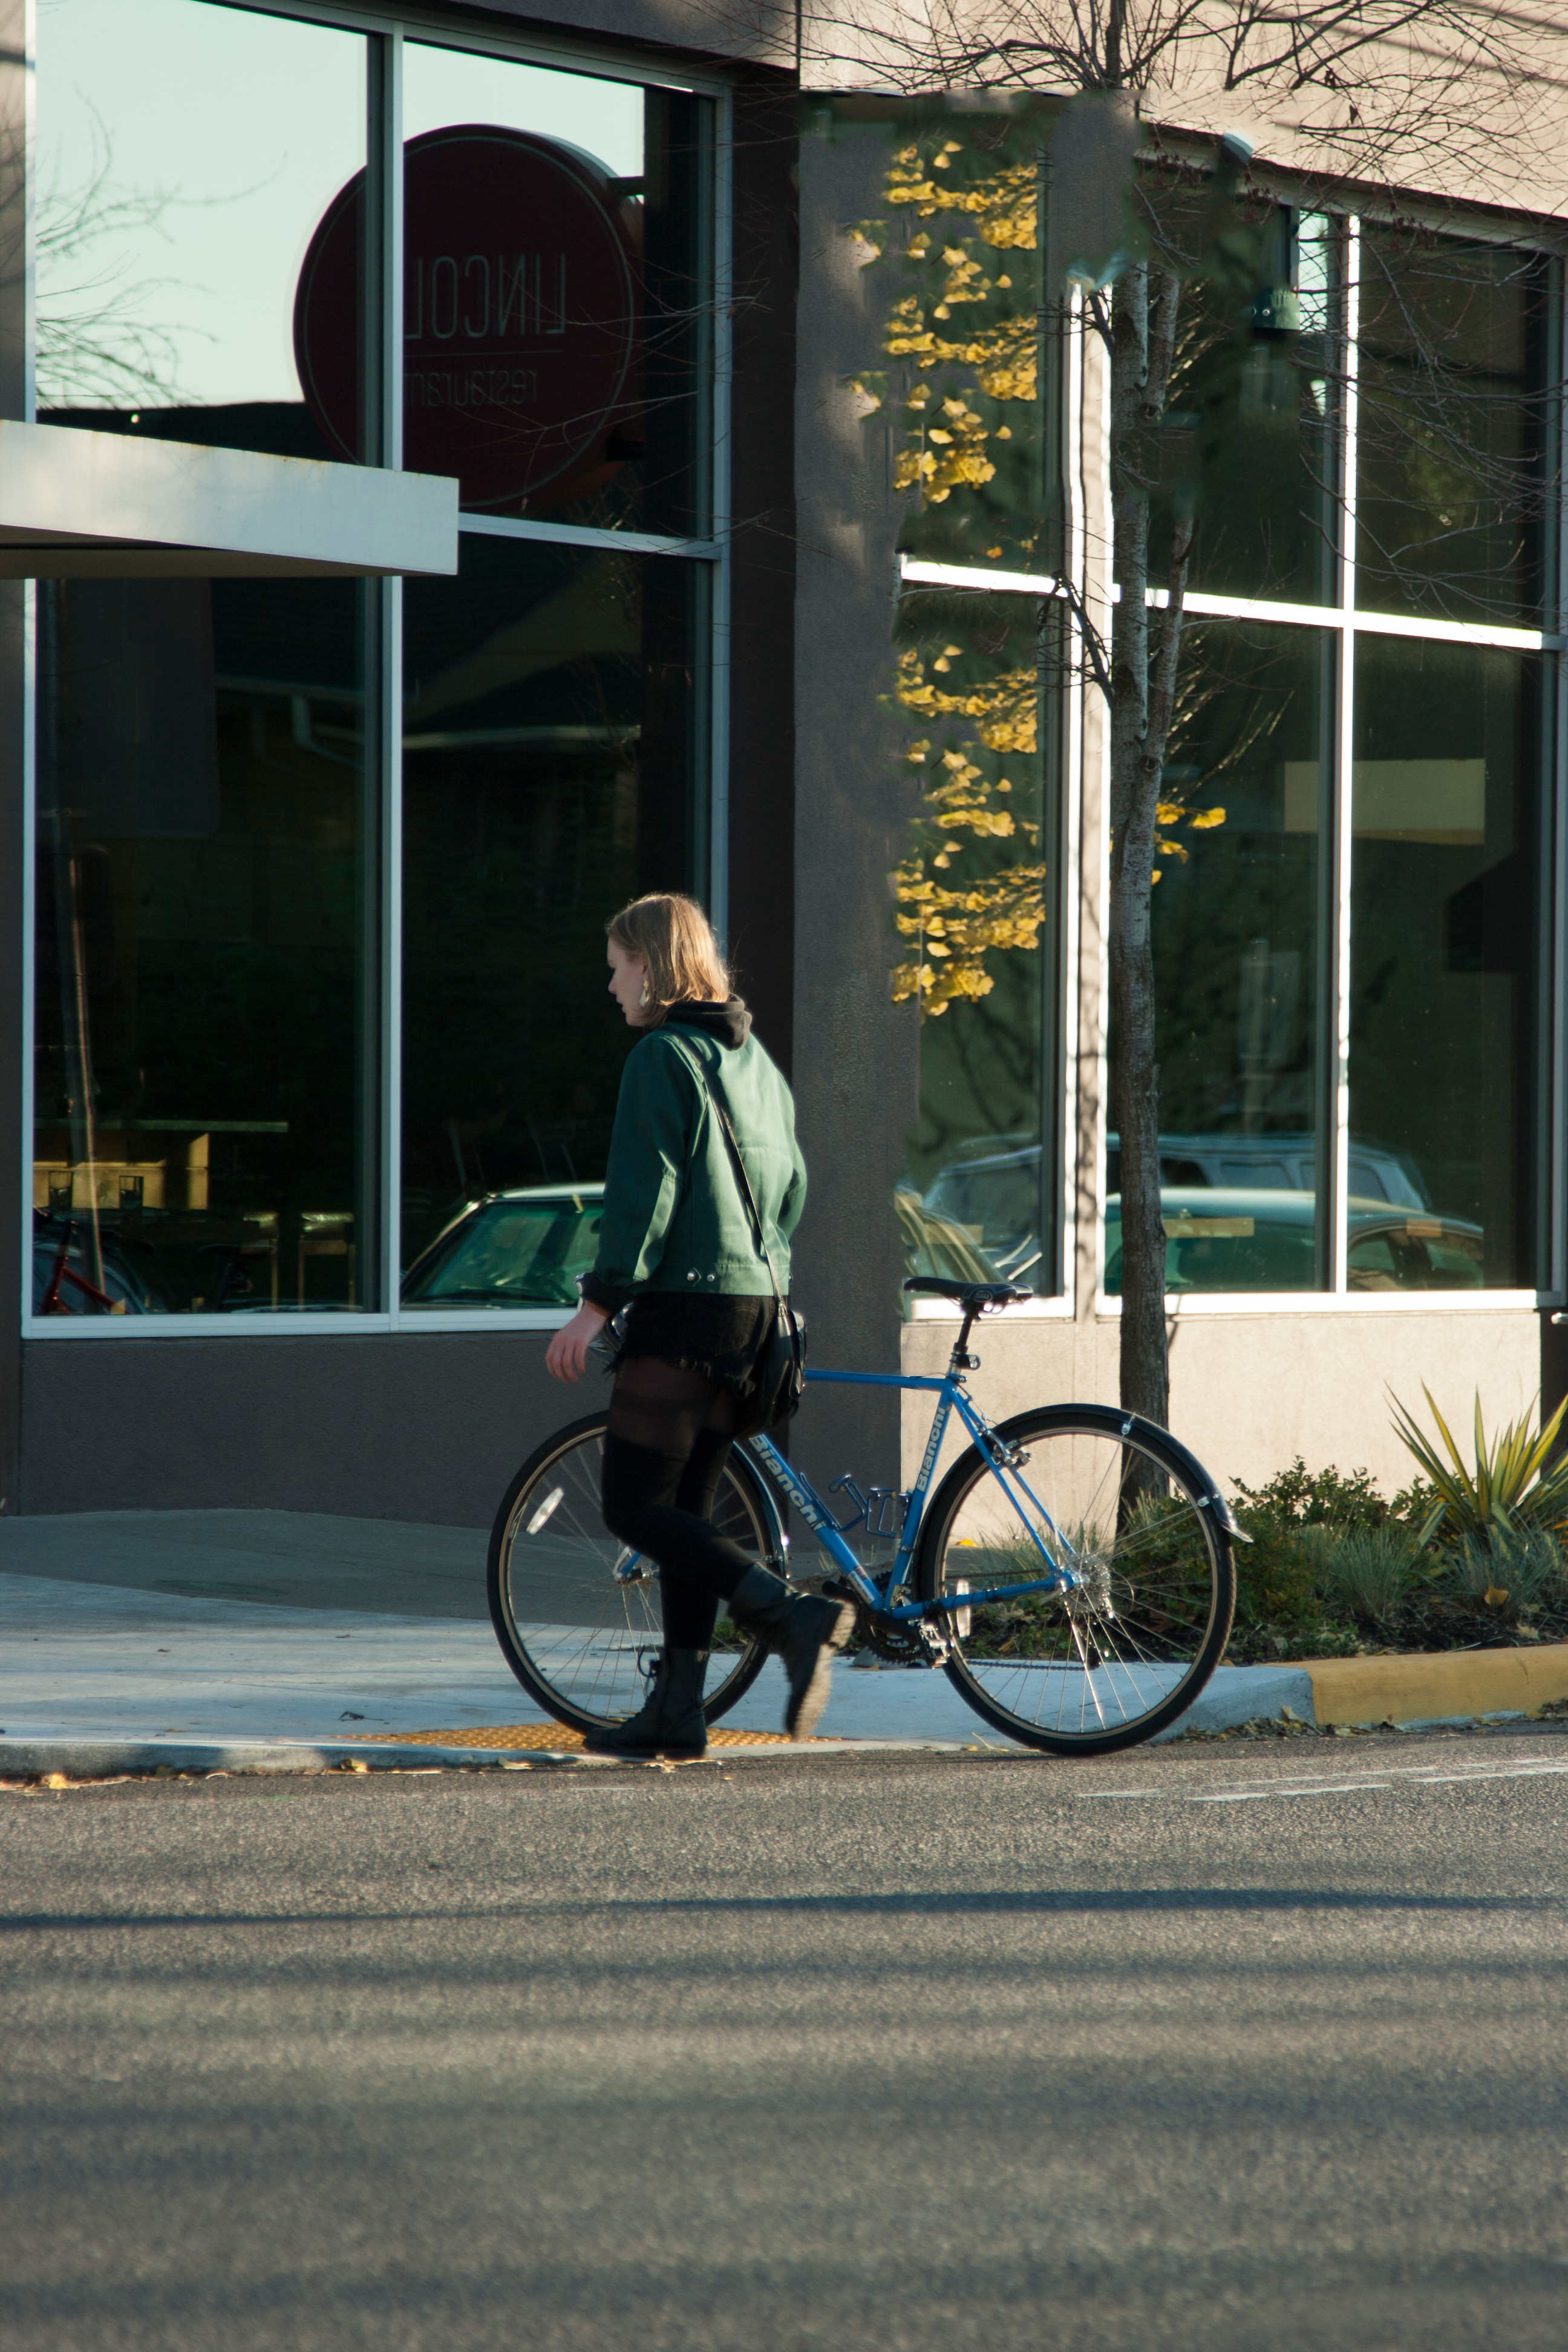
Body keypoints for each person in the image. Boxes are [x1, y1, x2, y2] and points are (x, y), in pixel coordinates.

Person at [545, 892, 851, 1756]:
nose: (611, 987)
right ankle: (679, 1713)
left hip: (686, 1306)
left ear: (651, 963)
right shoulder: (754, 1062)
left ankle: (791, 1615)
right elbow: (791, 1188)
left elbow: (646, 1194)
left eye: (617, 967)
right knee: (688, 1509)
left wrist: (597, 1303)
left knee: (634, 1507)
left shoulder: (661, 1058)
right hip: (758, 1312)